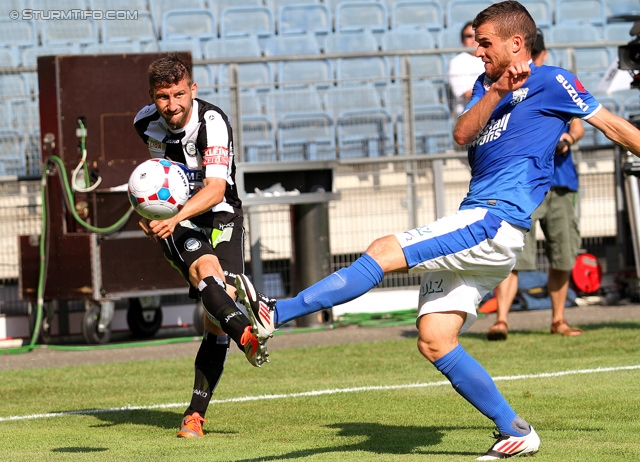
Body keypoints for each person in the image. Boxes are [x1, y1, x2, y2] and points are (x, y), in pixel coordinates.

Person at [236, 2, 640, 459]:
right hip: (480, 218)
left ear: (516, 42)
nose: (478, 52)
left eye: (484, 44)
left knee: (383, 249)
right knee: (434, 340)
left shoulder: (552, 81)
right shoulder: (484, 84)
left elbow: (613, 126)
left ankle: (275, 313)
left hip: (495, 220)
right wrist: (496, 91)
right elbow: (463, 133)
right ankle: (516, 429)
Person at [133, 54, 269, 439]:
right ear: (152, 97)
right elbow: (152, 180)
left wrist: (173, 215)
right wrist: (146, 211)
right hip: (179, 223)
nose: (172, 105)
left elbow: (214, 189)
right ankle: (248, 333)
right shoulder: (145, 123)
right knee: (205, 273)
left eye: (179, 94)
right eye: (163, 97)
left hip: (221, 212)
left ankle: (195, 412)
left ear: (192, 89)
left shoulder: (212, 122)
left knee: (214, 317)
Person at [487, 28, 585, 341]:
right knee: (512, 256)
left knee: (563, 254)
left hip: (559, 184)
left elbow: (579, 123)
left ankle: (558, 320)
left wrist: (567, 137)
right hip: (526, 187)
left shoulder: (558, 82)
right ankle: (501, 320)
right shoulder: (511, 87)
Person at [448, 21, 487, 117]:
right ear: (462, 40)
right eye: (469, 36)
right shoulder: (456, 62)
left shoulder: (490, 57)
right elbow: (467, 93)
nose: (474, 39)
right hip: (468, 115)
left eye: (477, 35)